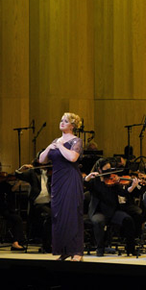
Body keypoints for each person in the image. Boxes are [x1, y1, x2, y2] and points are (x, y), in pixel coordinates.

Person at [38, 112, 84, 261]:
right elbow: (41, 160)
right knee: (59, 215)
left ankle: (76, 251)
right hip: (57, 180)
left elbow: (72, 157)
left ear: (73, 126)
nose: (62, 123)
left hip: (70, 179)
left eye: (65, 121)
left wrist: (59, 146)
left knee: (72, 214)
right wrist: (49, 148)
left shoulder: (76, 141)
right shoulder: (56, 140)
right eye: (61, 120)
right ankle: (64, 250)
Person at [83, 158, 139, 256]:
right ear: (100, 170)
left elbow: (123, 193)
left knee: (128, 219)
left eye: (110, 169)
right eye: (106, 169)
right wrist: (88, 177)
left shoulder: (113, 180)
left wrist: (132, 187)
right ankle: (100, 248)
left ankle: (131, 248)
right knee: (98, 221)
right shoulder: (94, 181)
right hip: (98, 211)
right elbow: (84, 184)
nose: (109, 172)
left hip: (112, 211)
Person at [14, 158, 52, 253]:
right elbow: (18, 174)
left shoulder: (51, 172)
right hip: (38, 204)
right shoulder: (33, 173)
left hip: (50, 203)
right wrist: (22, 168)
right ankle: (47, 245)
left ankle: (56, 244)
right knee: (51, 216)